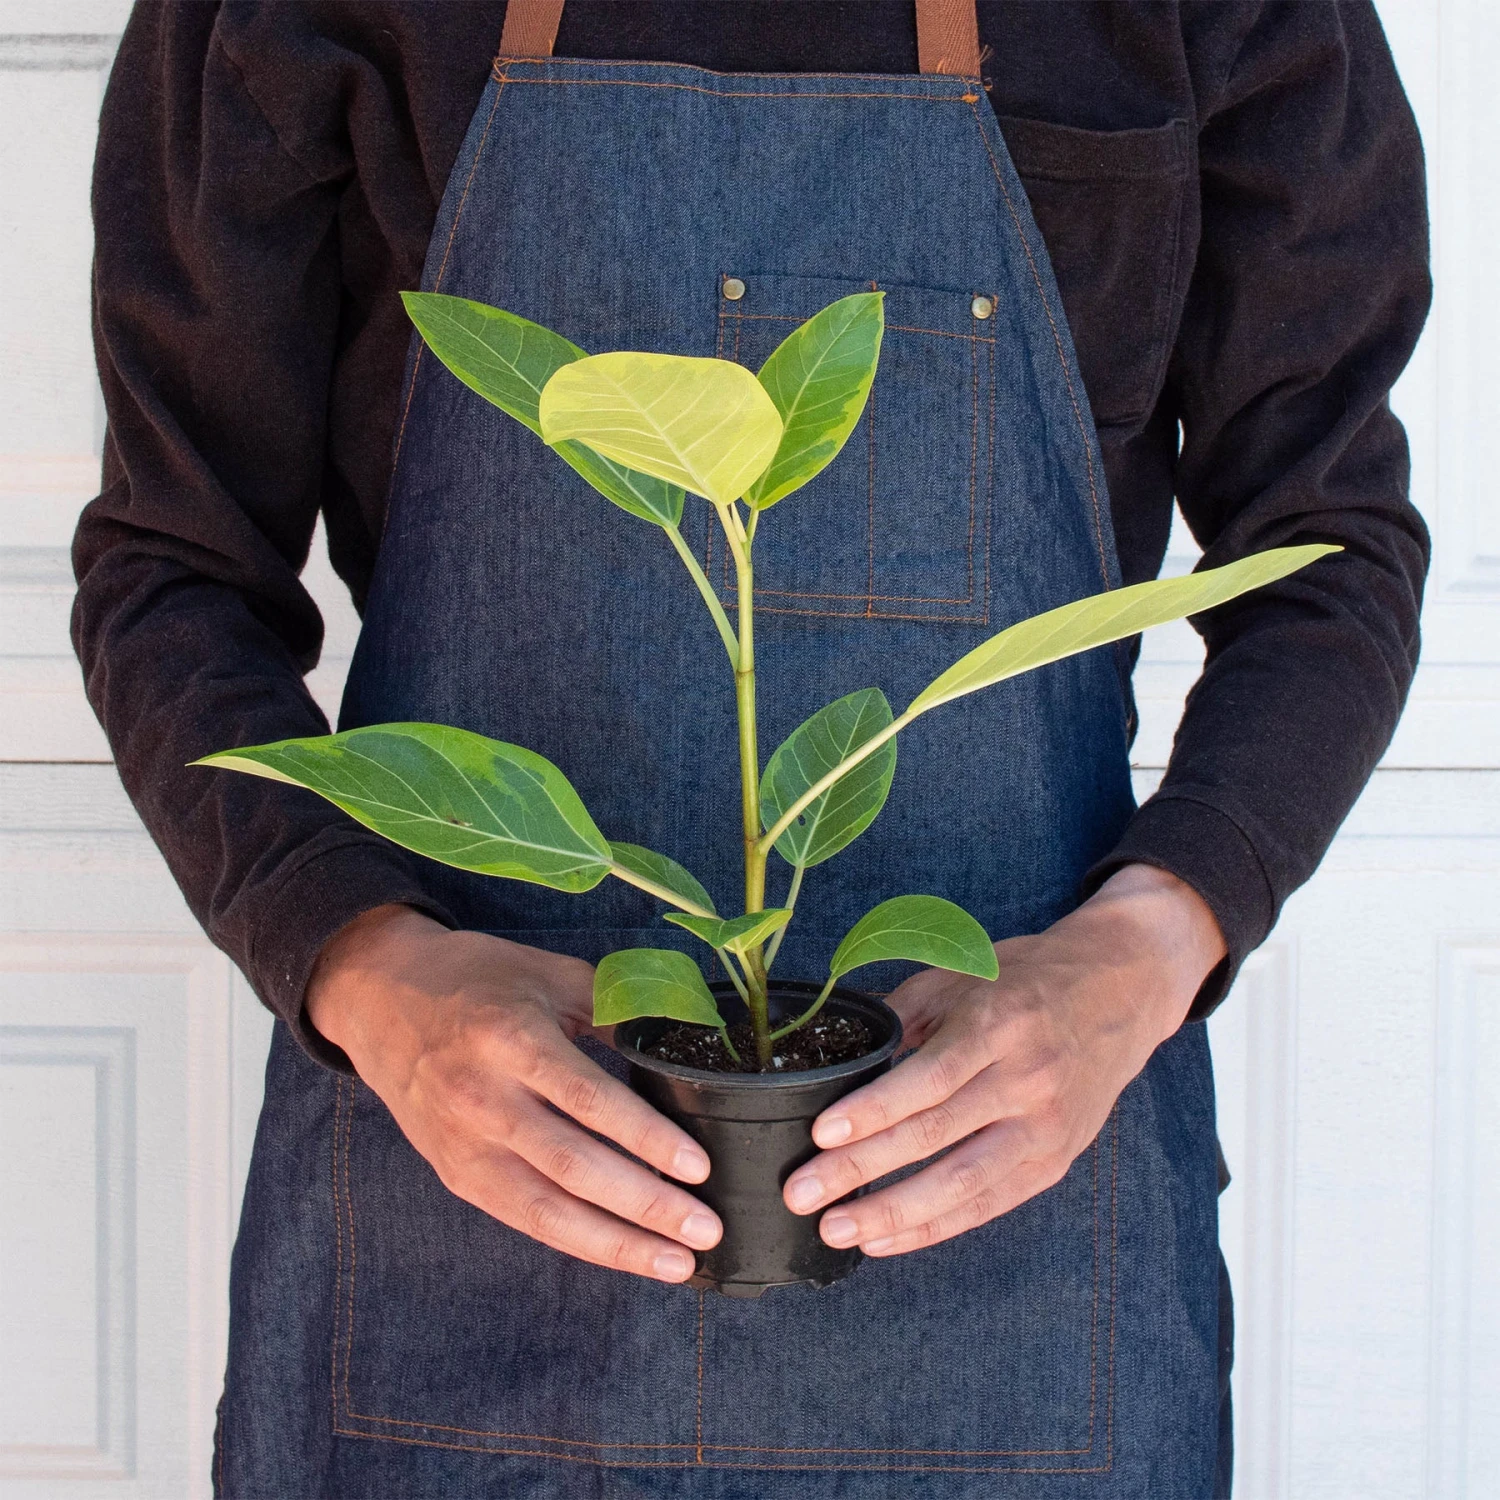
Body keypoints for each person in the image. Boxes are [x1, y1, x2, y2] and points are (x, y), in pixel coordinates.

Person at [76, 2, 1429, 1496]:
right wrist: (362, 966)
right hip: (454, 1231)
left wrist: (1151, 946)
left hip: (1030, 1254)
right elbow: (172, 568)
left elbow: (1328, 552)